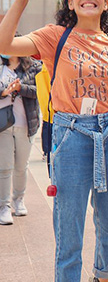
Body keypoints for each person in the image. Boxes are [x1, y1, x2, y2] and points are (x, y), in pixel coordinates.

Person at [0, 0, 108, 282]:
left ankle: (104, 275)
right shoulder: (56, 36)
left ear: (106, 3)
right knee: (69, 226)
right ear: (70, 2)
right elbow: (4, 43)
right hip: (71, 137)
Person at [0, 54, 41, 225]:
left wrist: (20, 88)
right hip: (3, 125)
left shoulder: (34, 67)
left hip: (26, 124)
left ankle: (19, 199)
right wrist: (4, 92)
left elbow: (40, 90)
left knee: (21, 166)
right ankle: (4, 206)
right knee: (4, 167)